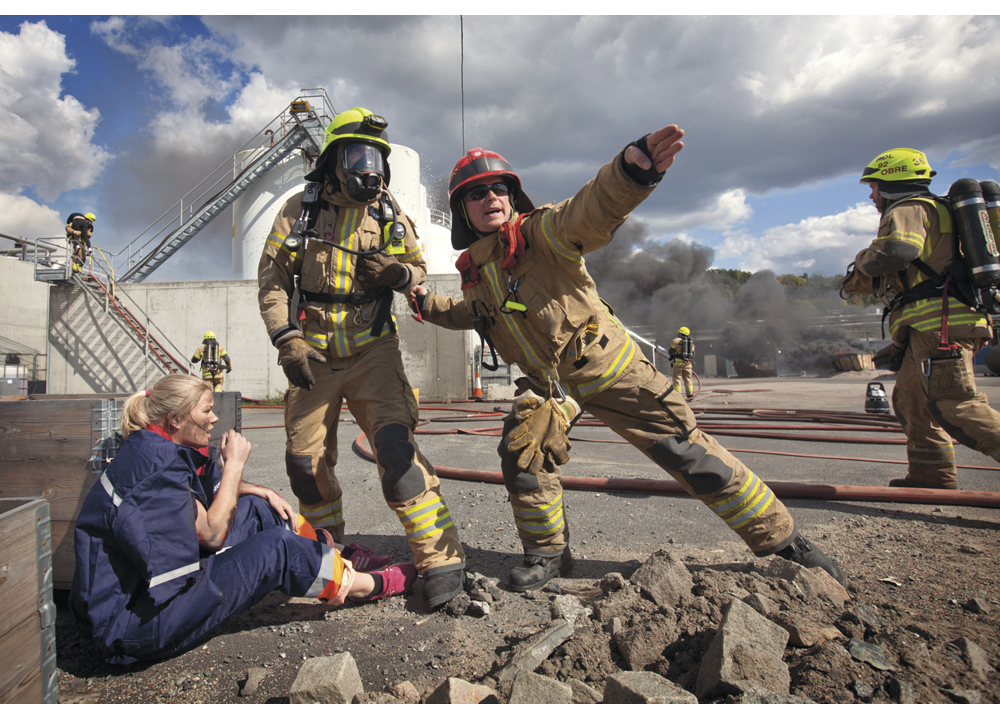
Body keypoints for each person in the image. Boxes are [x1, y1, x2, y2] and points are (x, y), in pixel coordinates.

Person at [408, 126, 846, 592]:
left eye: (499, 187)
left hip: (611, 371)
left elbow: (589, 211)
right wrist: (422, 302)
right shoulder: (478, 273)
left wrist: (629, 172)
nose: (490, 196)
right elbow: (470, 312)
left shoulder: (542, 234)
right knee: (523, 454)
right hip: (550, 387)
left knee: (691, 456)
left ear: (514, 196)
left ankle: (786, 543)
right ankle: (549, 554)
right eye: (476, 193)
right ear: (462, 210)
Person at [257, 108, 466, 608]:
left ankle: (442, 560)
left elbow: (417, 269)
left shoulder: (389, 212)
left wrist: (396, 276)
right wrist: (287, 339)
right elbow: (272, 282)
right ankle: (327, 557)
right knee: (304, 464)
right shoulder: (298, 212)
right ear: (333, 160)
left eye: (375, 157)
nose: (368, 168)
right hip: (315, 353)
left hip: (374, 348)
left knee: (397, 454)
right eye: (357, 155)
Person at [69, 373, 415, 666]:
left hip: (139, 599)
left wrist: (257, 490)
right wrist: (234, 465)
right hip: (128, 627)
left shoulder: (153, 447)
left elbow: (197, 501)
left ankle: (334, 553)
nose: (214, 418)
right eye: (206, 411)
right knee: (275, 549)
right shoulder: (155, 469)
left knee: (262, 510)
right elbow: (211, 534)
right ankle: (361, 587)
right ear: (176, 420)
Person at [844, 148, 1000, 489]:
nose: (871, 195)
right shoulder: (937, 210)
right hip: (929, 327)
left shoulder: (909, 208)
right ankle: (932, 475)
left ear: (891, 183)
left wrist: (861, 262)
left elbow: (896, 252)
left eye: (874, 186)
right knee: (912, 401)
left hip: (940, 326)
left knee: (955, 403)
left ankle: (933, 474)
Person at [668, 326, 696, 401]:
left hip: (678, 364)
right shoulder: (691, 342)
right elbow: (693, 354)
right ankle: (690, 395)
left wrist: (673, 358)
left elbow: (670, 351)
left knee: (677, 379)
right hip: (688, 364)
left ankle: (677, 396)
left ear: (680, 333)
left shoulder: (676, 340)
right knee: (688, 379)